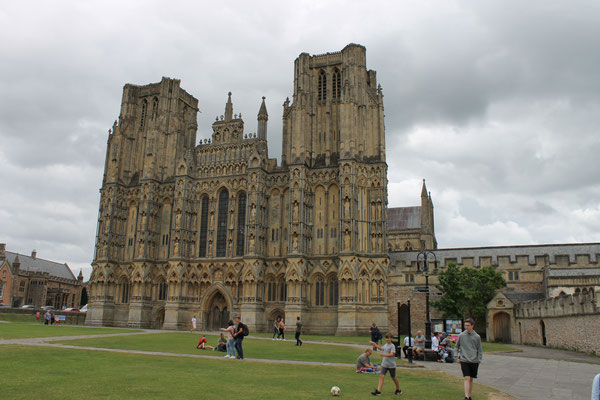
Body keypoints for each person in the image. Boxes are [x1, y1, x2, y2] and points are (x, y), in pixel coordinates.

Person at [456, 318, 483, 400]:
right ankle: (466, 397)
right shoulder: (461, 335)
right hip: (464, 359)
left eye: (468, 325)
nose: (466, 327)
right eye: (465, 325)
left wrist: (479, 359)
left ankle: (469, 395)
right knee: (467, 377)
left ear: (472, 326)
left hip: (474, 360)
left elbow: (479, 349)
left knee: (471, 378)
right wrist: (457, 356)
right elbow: (456, 347)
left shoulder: (477, 337)